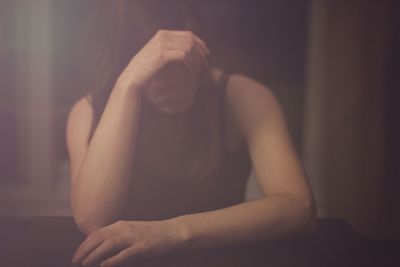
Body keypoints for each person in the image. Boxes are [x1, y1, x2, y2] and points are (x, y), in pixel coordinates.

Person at [66, 1, 317, 266]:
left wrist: (171, 232)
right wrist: (127, 85)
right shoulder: (89, 110)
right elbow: (91, 218)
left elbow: (299, 208)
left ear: (198, 47)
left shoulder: (242, 97)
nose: (166, 83)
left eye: (175, 62)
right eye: (148, 70)